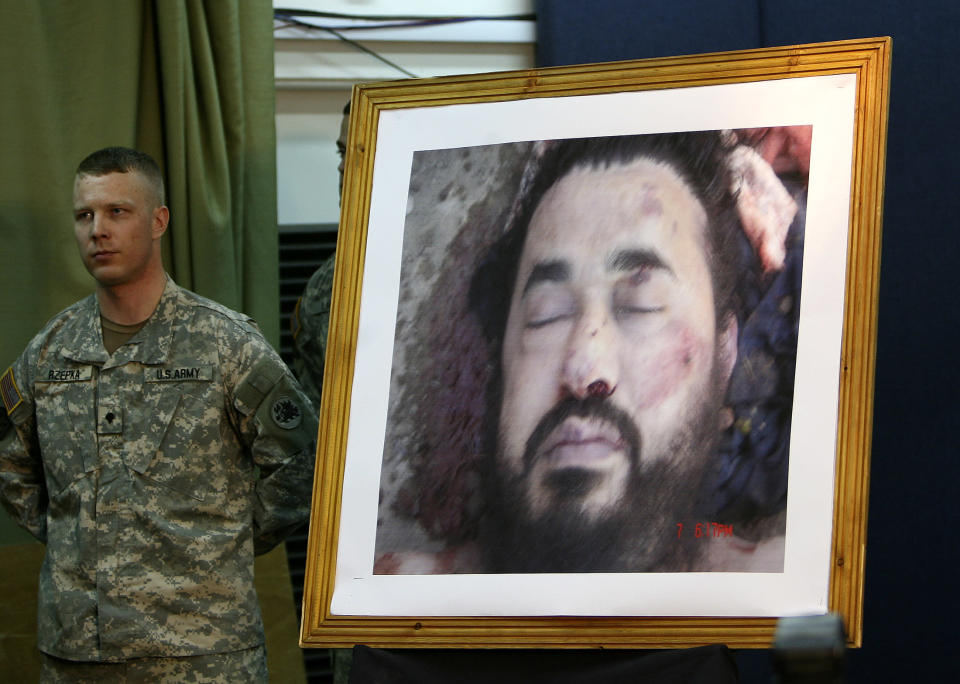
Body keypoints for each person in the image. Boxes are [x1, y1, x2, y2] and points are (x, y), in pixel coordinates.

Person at [376, 130, 802, 574]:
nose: (584, 368)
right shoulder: (391, 607)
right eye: (546, 314)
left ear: (725, 355)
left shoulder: (794, 604)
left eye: (641, 305)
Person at [0, 147, 317, 680]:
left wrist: (228, 538)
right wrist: (78, 536)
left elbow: (304, 462)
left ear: (158, 221)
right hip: (78, 653)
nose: (98, 230)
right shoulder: (50, 351)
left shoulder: (224, 345)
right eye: (85, 215)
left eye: (117, 212)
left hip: (202, 653)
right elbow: (10, 465)